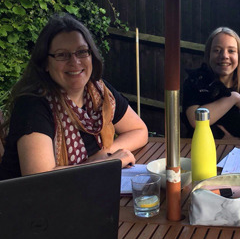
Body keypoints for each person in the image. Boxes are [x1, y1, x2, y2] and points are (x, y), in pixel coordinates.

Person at [0, 13, 148, 180]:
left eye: (82, 52)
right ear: (45, 63)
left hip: (81, 190)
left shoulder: (98, 91)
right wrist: (106, 163)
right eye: (62, 55)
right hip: (26, 202)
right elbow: (39, 179)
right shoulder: (33, 105)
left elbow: (139, 130)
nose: (75, 62)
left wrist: (106, 153)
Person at [182, 27, 240, 140]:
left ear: (239, 57)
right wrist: (232, 98)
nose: (224, 56)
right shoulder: (195, 82)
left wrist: (235, 143)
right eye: (217, 50)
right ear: (208, 55)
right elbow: (195, 120)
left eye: (231, 51)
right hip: (199, 152)